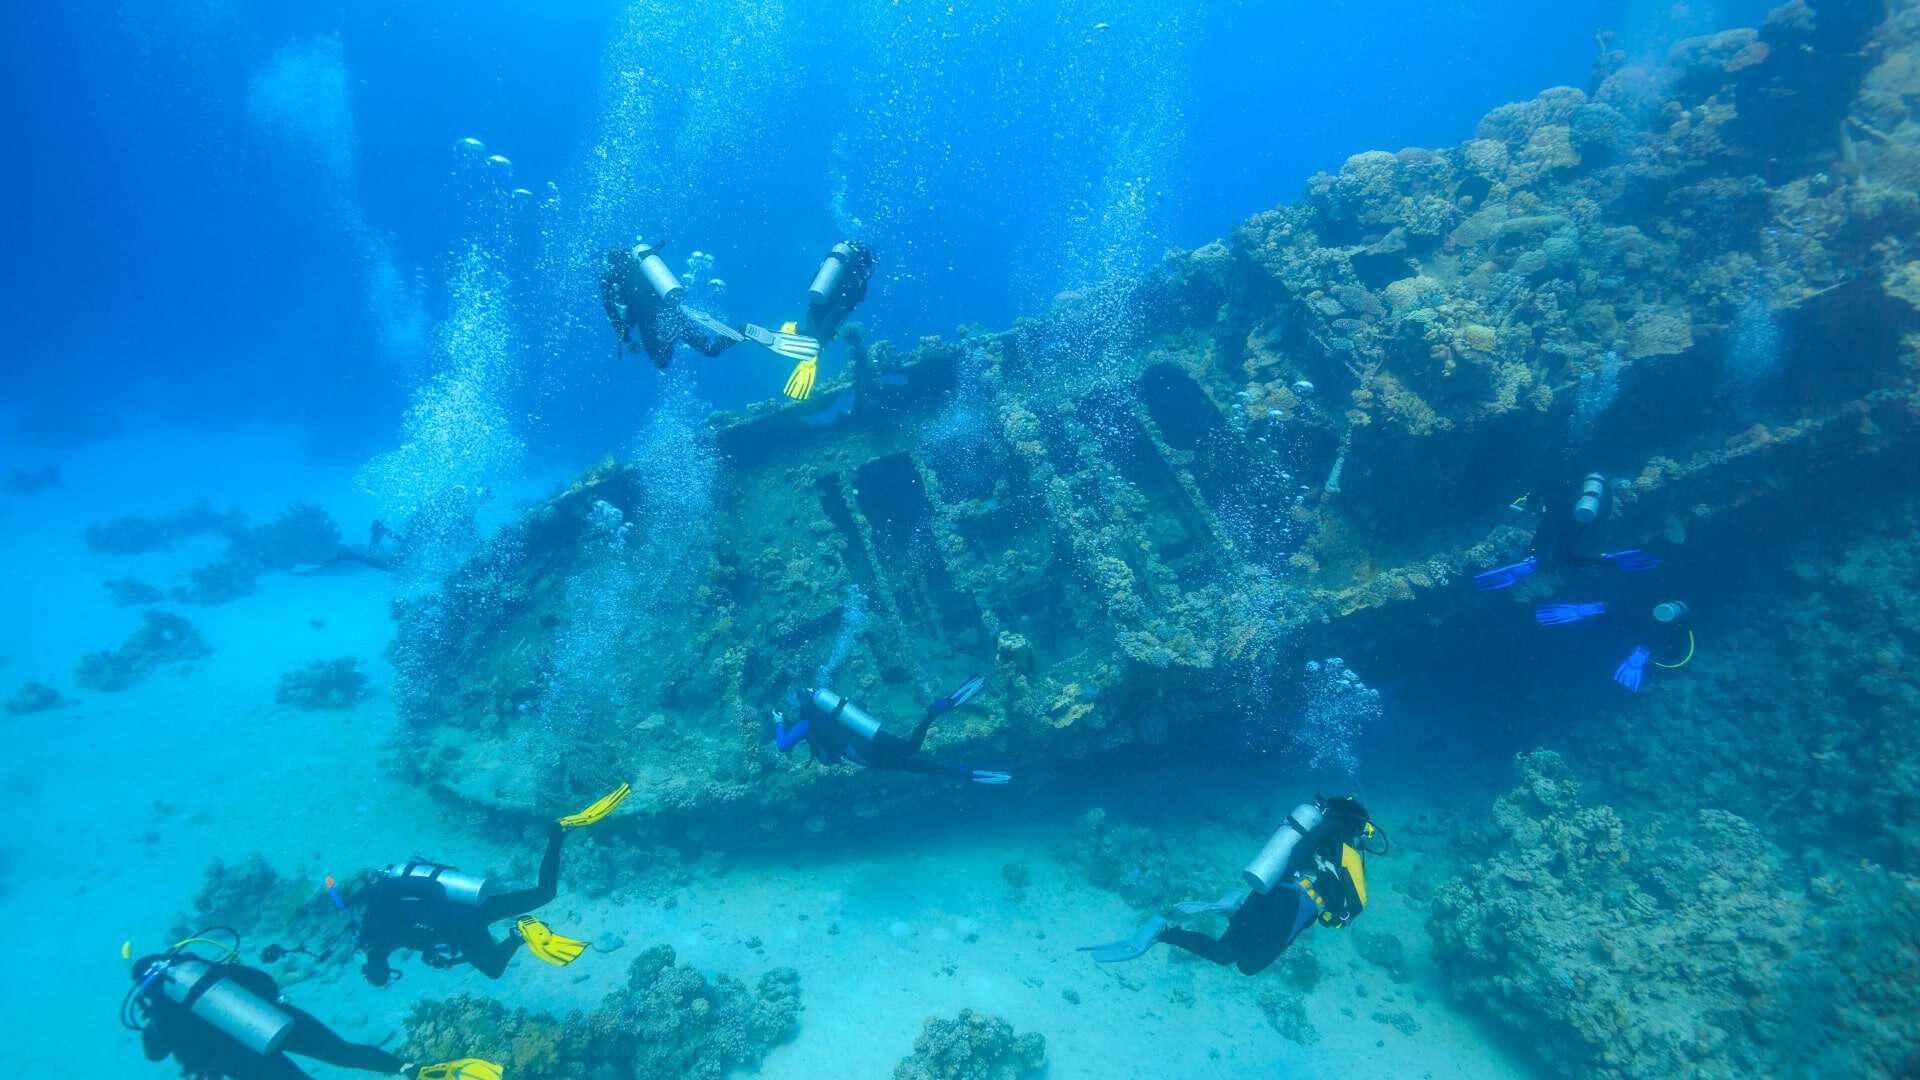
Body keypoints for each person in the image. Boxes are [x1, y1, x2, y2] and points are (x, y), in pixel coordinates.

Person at [351, 783, 629, 986]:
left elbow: (429, 894)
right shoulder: (377, 930)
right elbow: (412, 928)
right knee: (545, 893)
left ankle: (520, 931)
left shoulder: (378, 910)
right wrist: (429, 949)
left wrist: (437, 927)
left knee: (495, 968)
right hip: (467, 910)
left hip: (461, 920)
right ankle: (557, 832)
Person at [122, 930, 499, 1079]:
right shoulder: (203, 969)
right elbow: (262, 982)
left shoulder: (159, 1007)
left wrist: (152, 1018)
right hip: (275, 1018)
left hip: (237, 1057)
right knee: (343, 1052)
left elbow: (157, 1053)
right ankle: (413, 1070)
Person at [1078, 796, 1381, 973]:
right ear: (1358, 827)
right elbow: (1354, 908)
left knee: (1226, 952)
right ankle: (1212, 916)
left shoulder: (1314, 832)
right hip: (1296, 906)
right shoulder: (1348, 851)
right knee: (1248, 965)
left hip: (1269, 888)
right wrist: (1337, 916)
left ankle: (1173, 929)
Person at [772, 675, 1011, 784]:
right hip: (867, 733)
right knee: (910, 748)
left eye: (792, 704)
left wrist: (778, 722)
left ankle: (959, 771)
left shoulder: (805, 724)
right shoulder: (825, 708)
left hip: (857, 750)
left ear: (800, 704)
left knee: (906, 764)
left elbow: (783, 746)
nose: (791, 708)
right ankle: (934, 711)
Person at [1474, 472, 1660, 590]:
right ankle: (1608, 560)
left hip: (1567, 517)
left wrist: (1534, 547)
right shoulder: (1590, 484)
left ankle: (1533, 561)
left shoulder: (1551, 482)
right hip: (1593, 519)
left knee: (1560, 553)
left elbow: (1547, 521)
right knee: (1567, 555)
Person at [1535, 596, 1696, 693]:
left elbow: (1631, 602)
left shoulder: (1659, 599)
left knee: (1625, 614)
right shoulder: (1682, 626)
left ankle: (1594, 608)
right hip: (1643, 633)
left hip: (1635, 616)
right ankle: (1640, 654)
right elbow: (1675, 655)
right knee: (1641, 632)